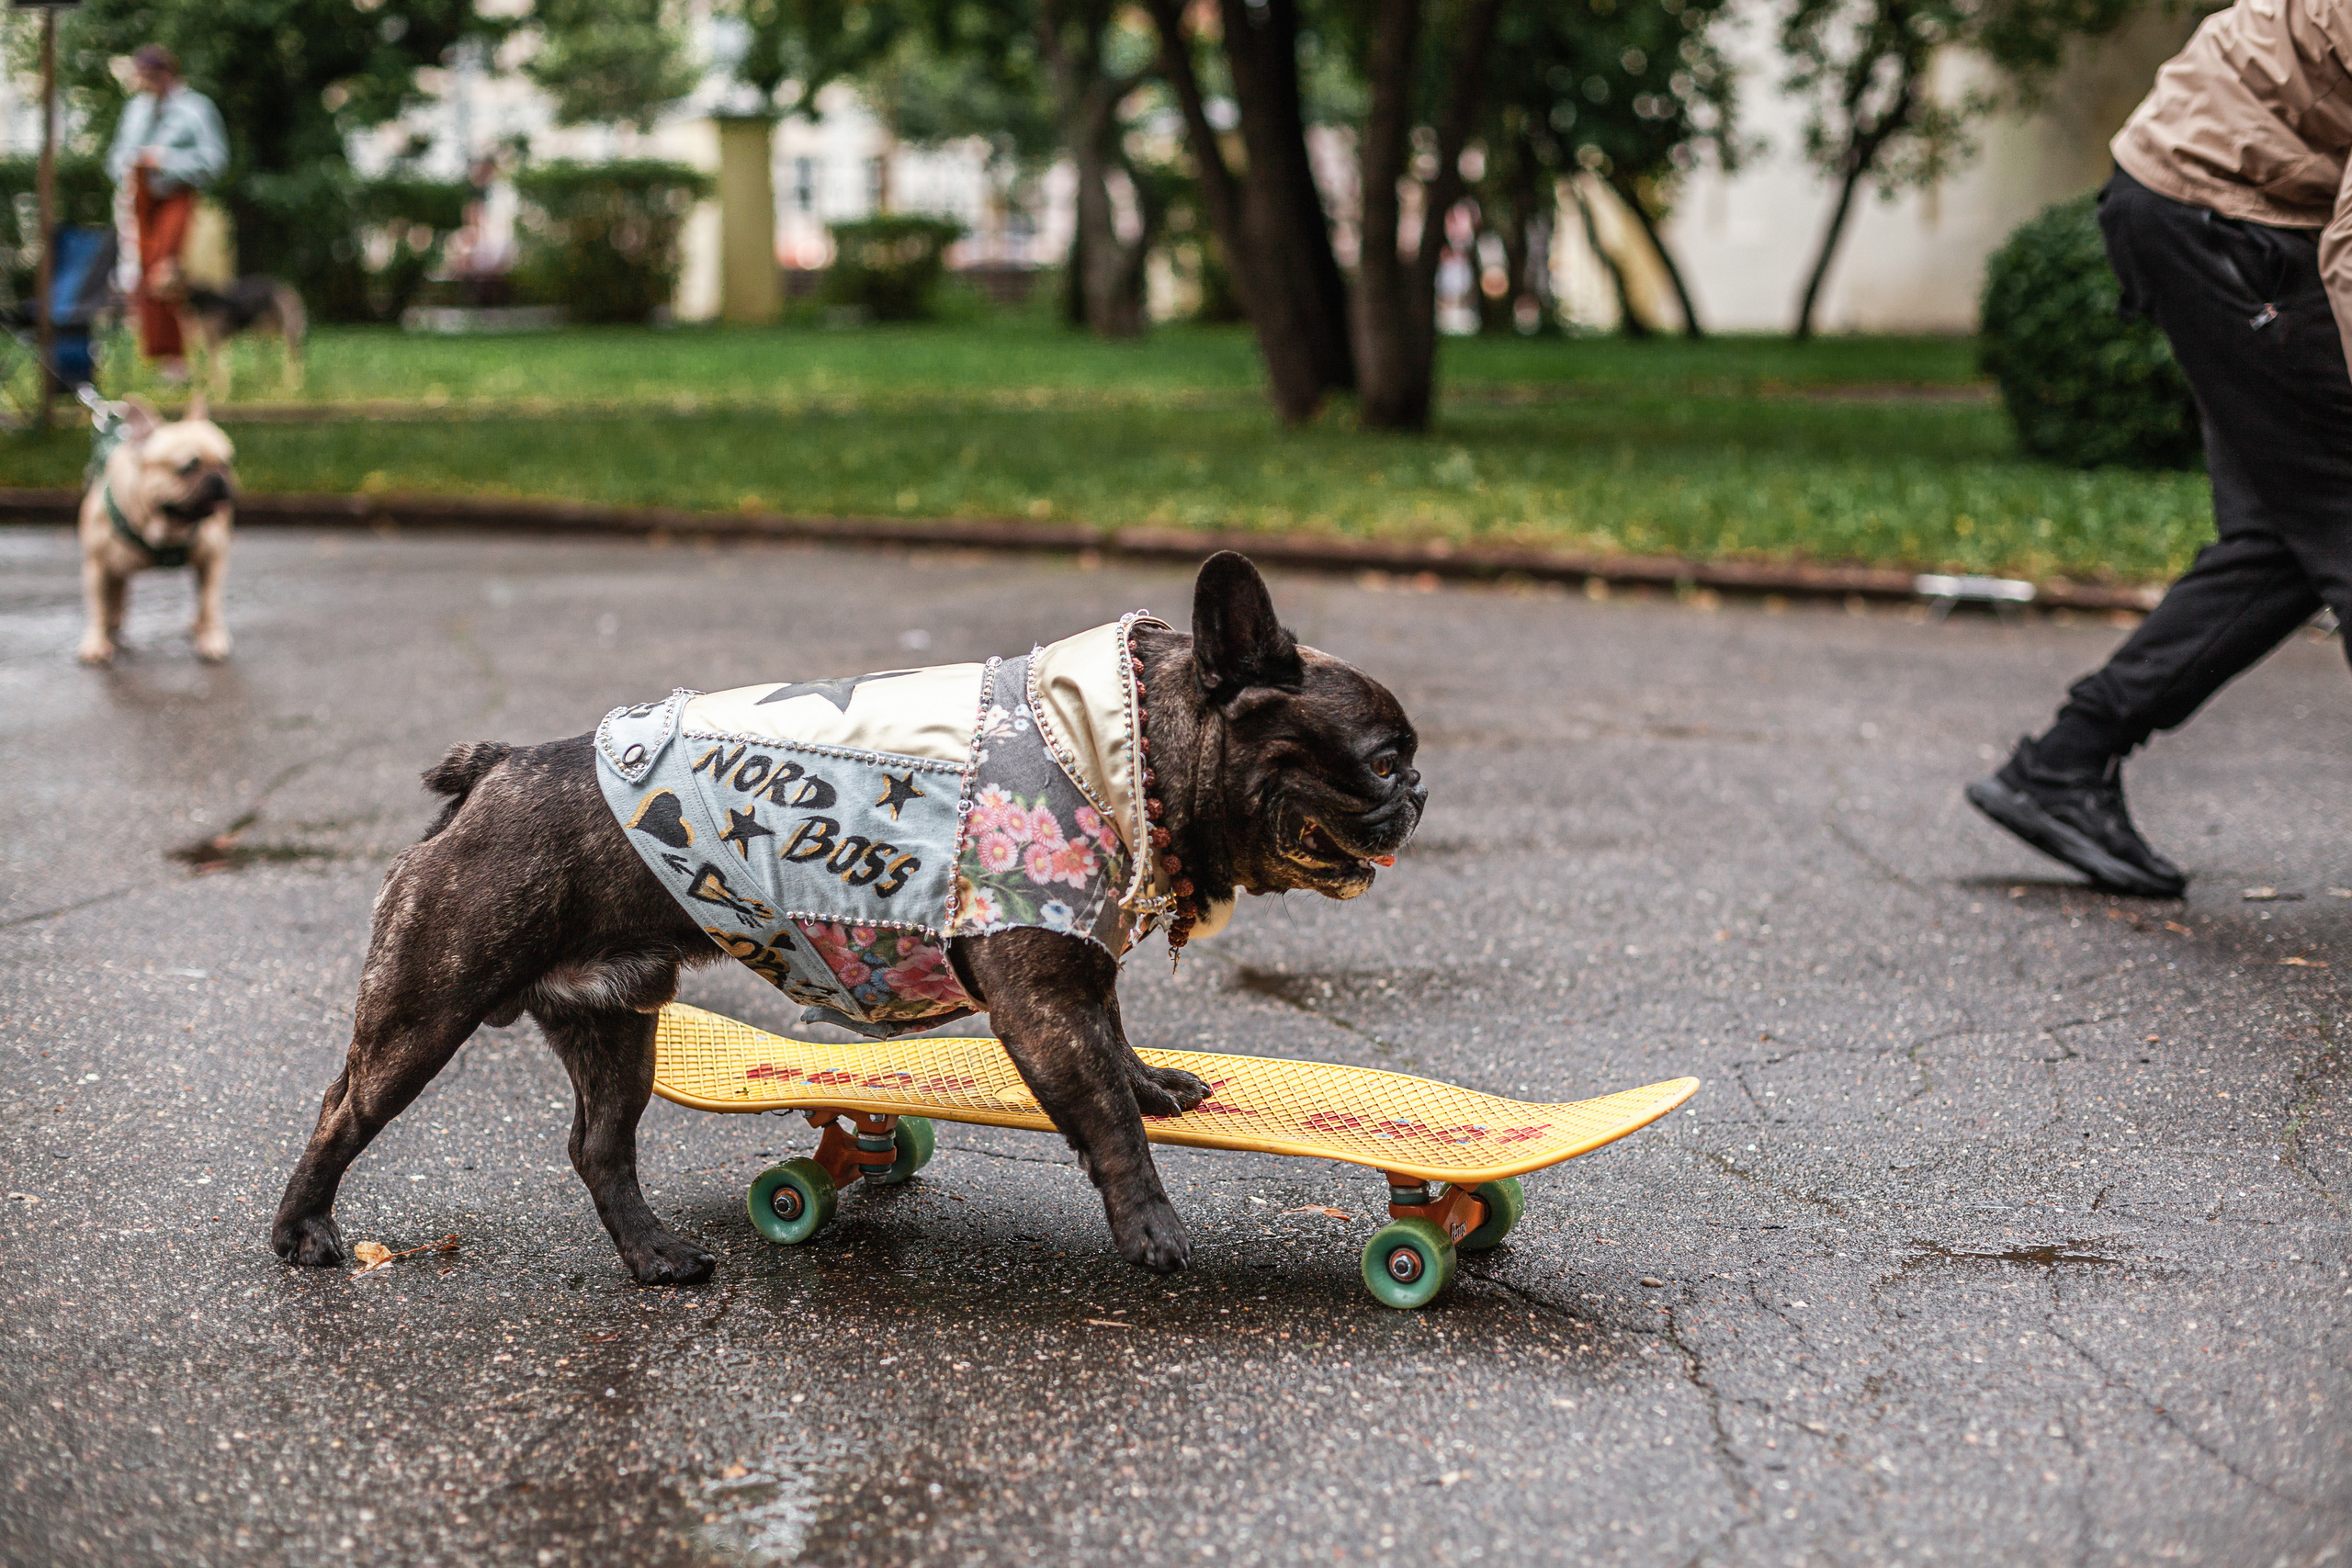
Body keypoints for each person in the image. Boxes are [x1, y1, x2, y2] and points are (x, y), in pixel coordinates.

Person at [1967, 0, 2352, 898]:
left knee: (2280, 547)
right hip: (2219, 210)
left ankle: (2062, 765)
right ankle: (2063, 761)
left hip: (2223, 200)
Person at [103, 44, 227, 384]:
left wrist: (167, 159)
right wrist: (130, 166)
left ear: (165, 75)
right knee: (144, 272)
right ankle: (163, 357)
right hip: (139, 197)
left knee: (164, 269)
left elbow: (215, 160)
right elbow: (116, 154)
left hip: (176, 195)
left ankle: (181, 359)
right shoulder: (135, 109)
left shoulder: (196, 108)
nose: (143, 85)